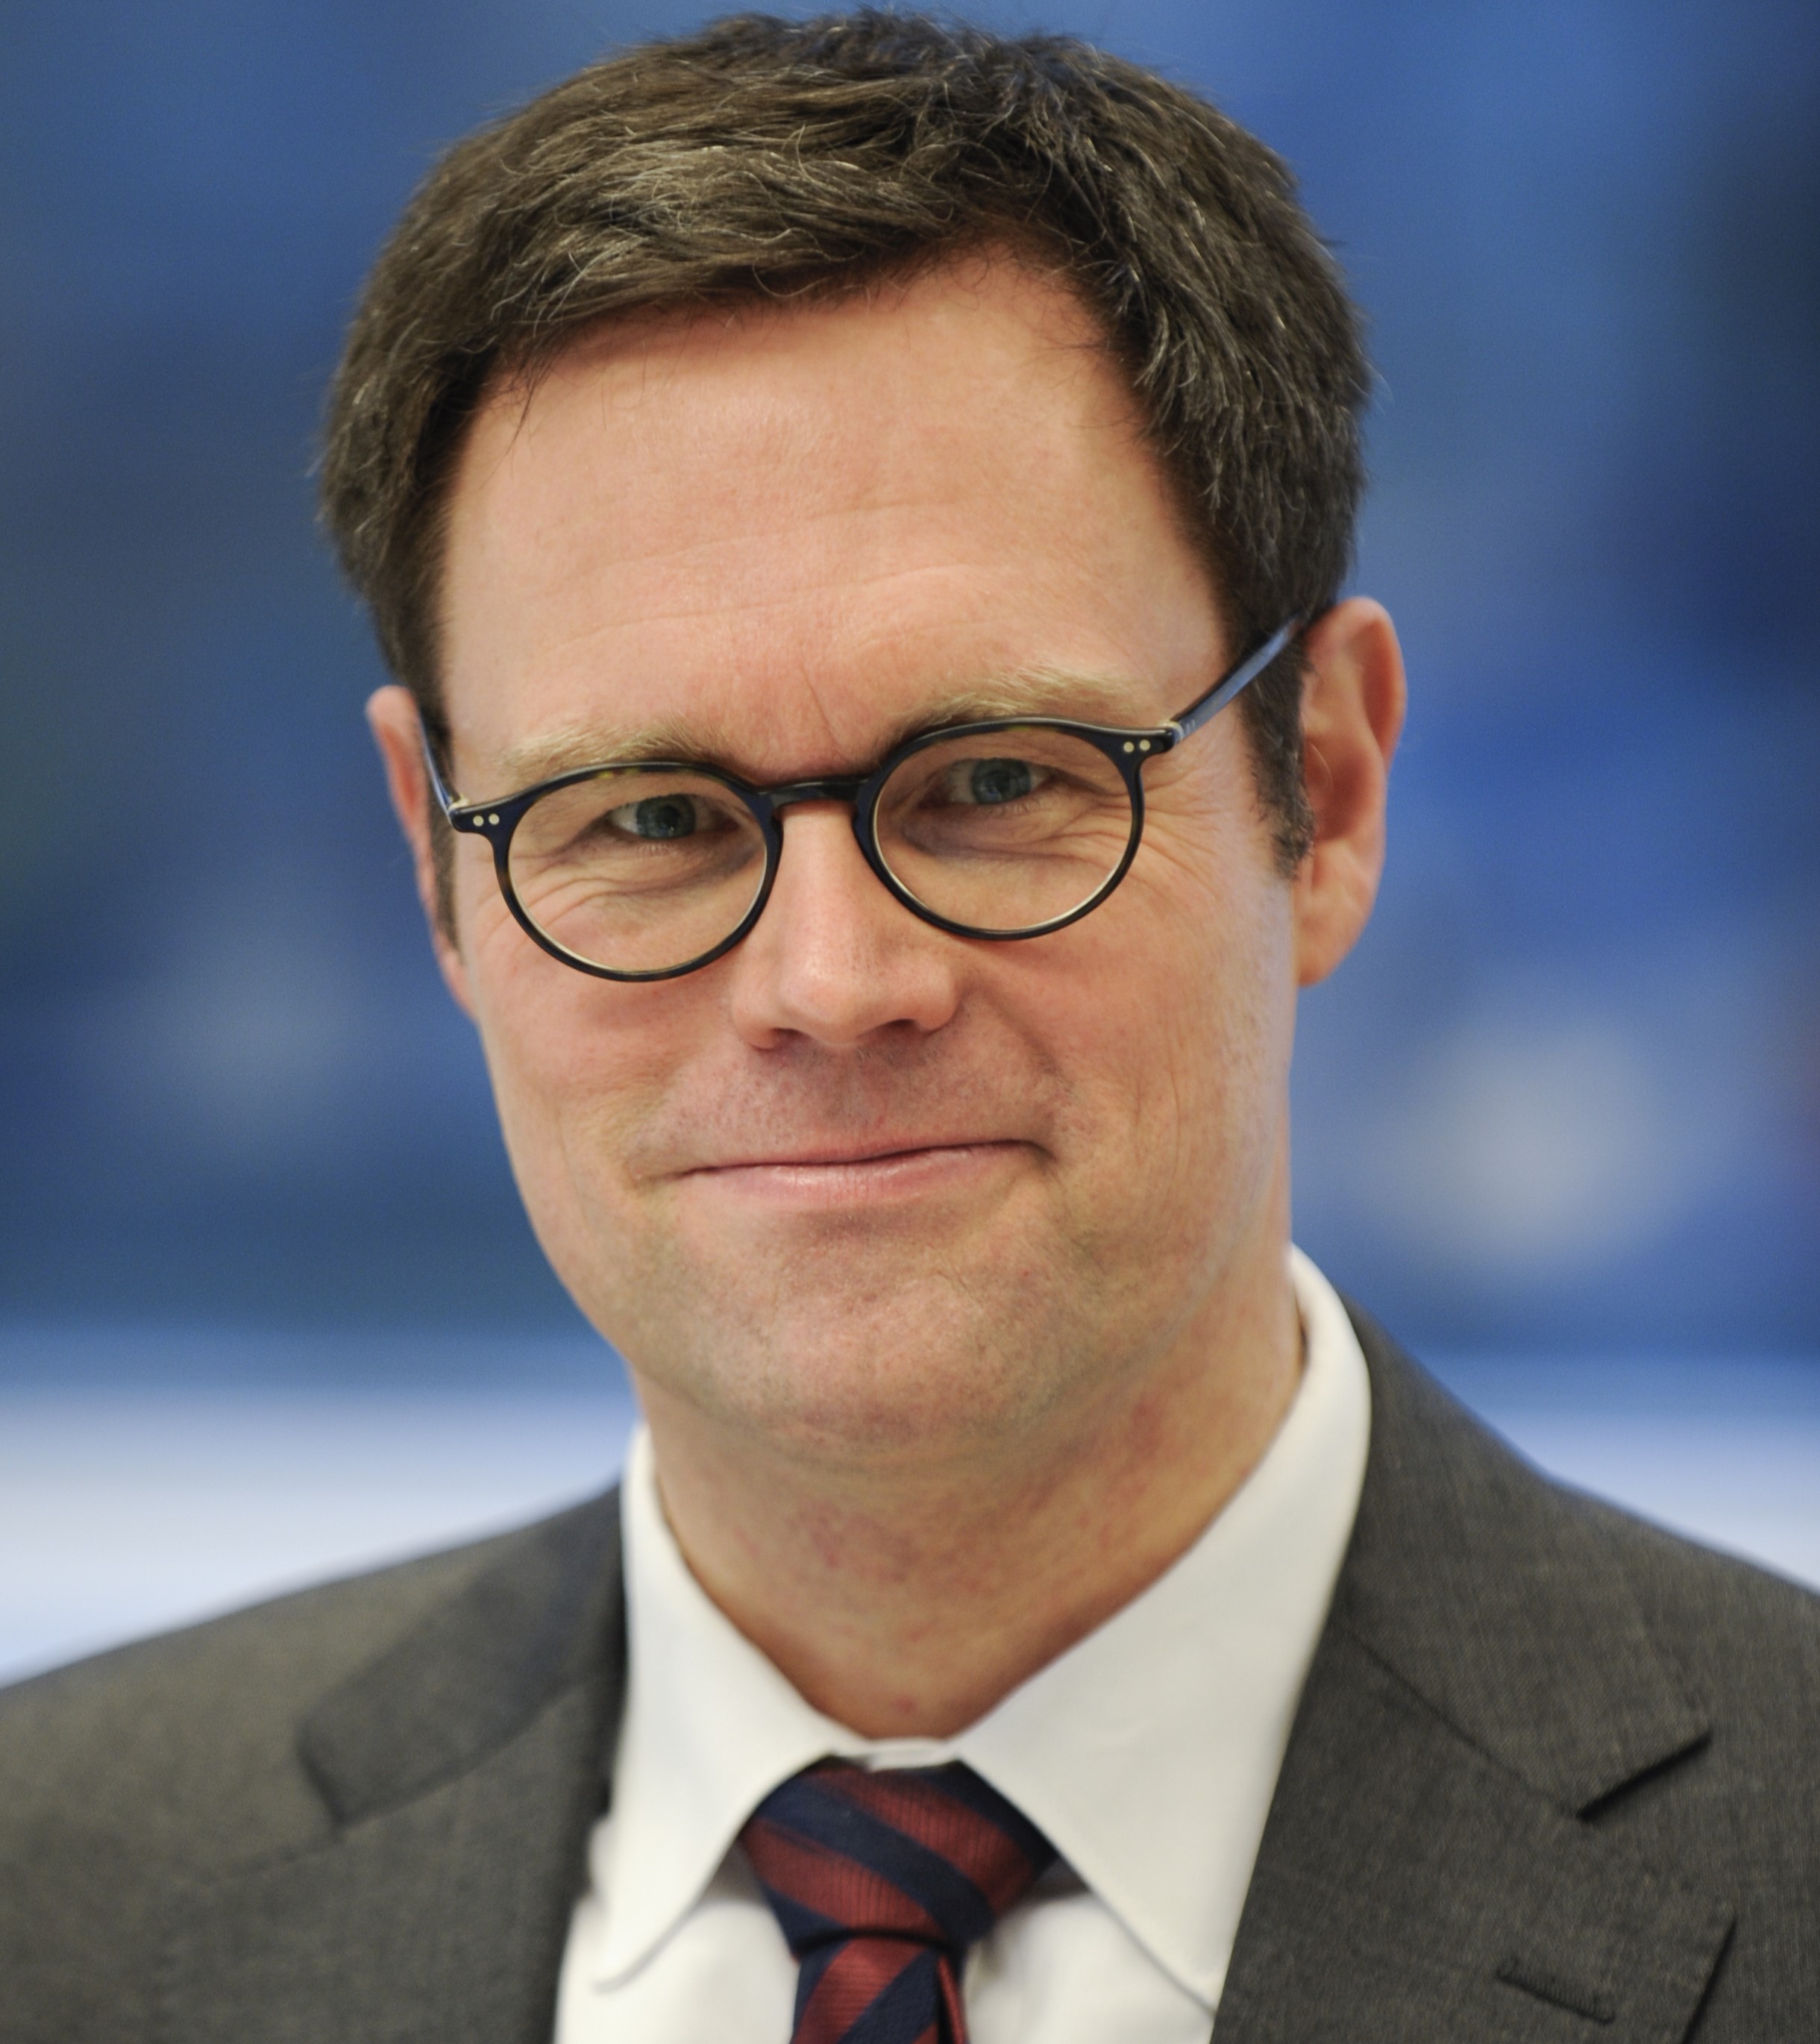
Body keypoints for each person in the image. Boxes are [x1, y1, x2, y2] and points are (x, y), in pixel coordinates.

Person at [1, 13, 1814, 2040]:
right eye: (653, 820)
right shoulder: (54, 1895)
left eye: (997, 782)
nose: (832, 982)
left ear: (1329, 787)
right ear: (439, 871)